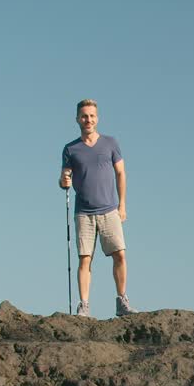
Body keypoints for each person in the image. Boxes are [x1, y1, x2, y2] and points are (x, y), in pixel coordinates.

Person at [60, 99, 136, 317]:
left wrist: (122, 205)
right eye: (84, 116)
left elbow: (120, 173)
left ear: (97, 118)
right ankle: (84, 305)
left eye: (92, 116)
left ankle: (122, 301)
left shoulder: (110, 143)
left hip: (109, 209)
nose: (88, 120)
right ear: (77, 119)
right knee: (85, 258)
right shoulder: (70, 149)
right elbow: (63, 178)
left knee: (120, 254)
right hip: (84, 212)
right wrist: (63, 180)